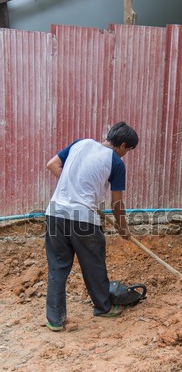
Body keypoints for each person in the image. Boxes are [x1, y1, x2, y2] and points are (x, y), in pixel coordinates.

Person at [44, 122, 139, 331]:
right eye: (128, 150)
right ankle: (103, 307)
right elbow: (116, 203)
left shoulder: (81, 143)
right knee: (93, 265)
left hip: (54, 213)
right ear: (122, 145)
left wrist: (74, 186)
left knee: (57, 268)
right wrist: (123, 228)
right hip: (83, 219)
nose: (126, 154)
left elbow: (52, 164)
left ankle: (55, 319)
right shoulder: (115, 162)